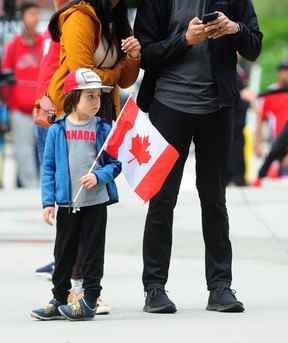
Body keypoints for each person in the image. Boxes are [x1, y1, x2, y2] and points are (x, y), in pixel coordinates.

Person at [134, 0, 262, 313]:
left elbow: (254, 45)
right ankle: (154, 288)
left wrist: (234, 28)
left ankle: (220, 287)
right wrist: (184, 40)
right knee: (162, 200)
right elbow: (144, 54)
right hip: (167, 107)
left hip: (217, 109)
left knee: (215, 200)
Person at [34, 0, 140, 314]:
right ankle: (70, 290)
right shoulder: (79, 17)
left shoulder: (118, 20)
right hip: (73, 114)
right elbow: (82, 76)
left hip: (102, 112)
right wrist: (117, 71)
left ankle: (85, 291)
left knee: (92, 207)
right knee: (73, 208)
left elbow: (124, 80)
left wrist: (133, 56)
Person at [31, 68, 121, 321]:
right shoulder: (58, 130)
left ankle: (90, 299)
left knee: (92, 252)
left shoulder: (103, 128)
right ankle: (59, 296)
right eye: (89, 96)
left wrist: (99, 176)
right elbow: (48, 168)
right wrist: (48, 202)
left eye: (98, 96)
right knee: (63, 252)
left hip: (95, 203)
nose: (96, 102)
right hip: (67, 203)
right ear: (72, 98)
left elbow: (115, 164)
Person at [1, 2, 43, 188]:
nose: (34, 18)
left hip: (43, 109)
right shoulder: (13, 46)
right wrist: (10, 104)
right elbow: (5, 77)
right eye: (31, 14)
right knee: (23, 153)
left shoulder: (45, 43)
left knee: (45, 151)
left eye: (36, 14)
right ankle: (30, 190)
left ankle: (46, 191)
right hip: (19, 110)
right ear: (23, 18)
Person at [253, 62, 288, 181]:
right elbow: (260, 120)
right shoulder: (272, 92)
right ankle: (261, 175)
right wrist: (257, 144)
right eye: (283, 72)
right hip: (279, 141)